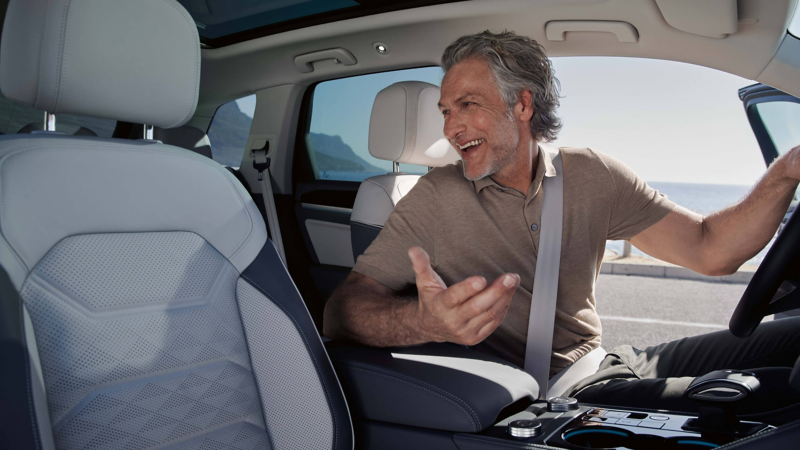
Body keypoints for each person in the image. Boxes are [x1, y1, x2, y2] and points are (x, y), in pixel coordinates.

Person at [323, 30, 800, 421]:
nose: (450, 127)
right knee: (777, 395)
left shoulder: (594, 175)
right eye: (447, 111)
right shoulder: (431, 198)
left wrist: (786, 173)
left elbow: (709, 248)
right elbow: (342, 312)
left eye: (468, 105)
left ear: (522, 106)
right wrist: (422, 322)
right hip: (556, 402)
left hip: (608, 362)